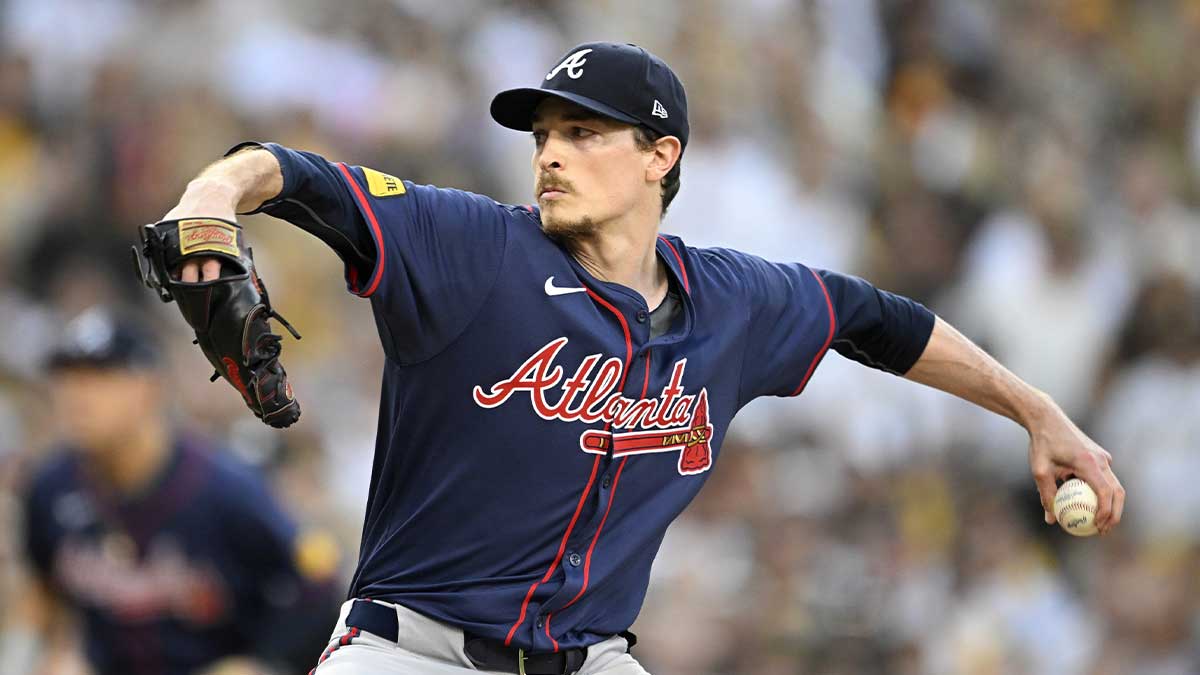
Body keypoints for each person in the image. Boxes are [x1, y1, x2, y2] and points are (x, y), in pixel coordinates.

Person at [157, 42, 1124, 675]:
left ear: (661, 156)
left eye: (582, 133)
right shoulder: (473, 247)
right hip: (412, 655)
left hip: (592, 657)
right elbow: (299, 176)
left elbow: (878, 321)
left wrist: (1036, 409)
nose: (550, 154)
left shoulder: (734, 302)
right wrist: (214, 189)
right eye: (543, 136)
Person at [12, 307, 338, 675]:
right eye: (67, 378)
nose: (76, 395)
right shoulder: (50, 488)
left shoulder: (223, 486)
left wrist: (261, 662)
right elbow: (44, 595)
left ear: (149, 387)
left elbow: (318, 582)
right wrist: (58, 651)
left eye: (99, 377)